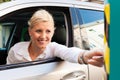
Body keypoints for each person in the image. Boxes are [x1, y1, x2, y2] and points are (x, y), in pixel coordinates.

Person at [7, 9, 104, 67]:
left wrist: (85, 56)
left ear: (53, 33)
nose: (43, 36)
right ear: (30, 31)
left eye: (48, 31)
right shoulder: (16, 49)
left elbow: (69, 52)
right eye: (38, 31)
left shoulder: (54, 48)